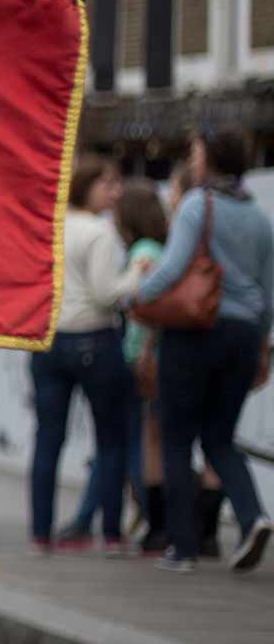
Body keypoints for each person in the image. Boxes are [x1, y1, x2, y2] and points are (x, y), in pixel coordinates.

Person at [134, 129, 274, 574]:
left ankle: (183, 547)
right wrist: (263, 346)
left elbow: (171, 271)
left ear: (210, 159)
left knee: (176, 437)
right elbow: (269, 295)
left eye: (195, 153)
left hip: (196, 331)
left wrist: (134, 297)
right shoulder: (258, 217)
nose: (192, 161)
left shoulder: (198, 205)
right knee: (219, 437)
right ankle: (254, 517)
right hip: (244, 336)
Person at [30, 155, 136, 555]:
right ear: (86, 186)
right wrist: (139, 273)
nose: (117, 191)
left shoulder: (50, 225)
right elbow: (108, 293)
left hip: (48, 341)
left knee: (47, 440)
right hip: (94, 340)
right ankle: (111, 533)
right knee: (110, 440)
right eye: (108, 184)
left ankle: (40, 533)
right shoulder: (99, 233)